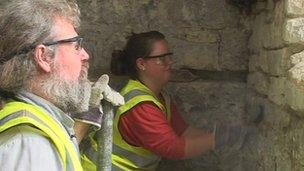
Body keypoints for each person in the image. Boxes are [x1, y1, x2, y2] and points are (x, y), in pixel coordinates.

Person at [79, 31, 248, 171]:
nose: (170, 63)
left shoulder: (159, 97)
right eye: (162, 58)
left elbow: (183, 131)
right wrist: (216, 139)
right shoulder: (141, 106)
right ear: (141, 64)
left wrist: (223, 135)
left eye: (169, 56)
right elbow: (173, 148)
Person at [0, 0, 115, 170]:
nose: (85, 55)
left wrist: (85, 120)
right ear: (44, 57)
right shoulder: (30, 143)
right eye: (76, 45)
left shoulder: (38, 121)